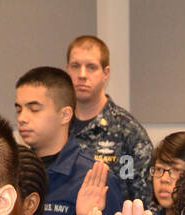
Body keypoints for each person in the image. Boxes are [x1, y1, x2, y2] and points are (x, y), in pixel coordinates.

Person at [15, 66, 120, 215]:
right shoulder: (10, 171)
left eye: (34, 109)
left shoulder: (93, 179)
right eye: (19, 109)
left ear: (65, 115)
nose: (22, 118)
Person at [65, 34, 154, 204]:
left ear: (105, 73)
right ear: (67, 69)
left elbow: (143, 200)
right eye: (76, 66)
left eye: (91, 67)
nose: (82, 75)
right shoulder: (57, 126)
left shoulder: (127, 131)